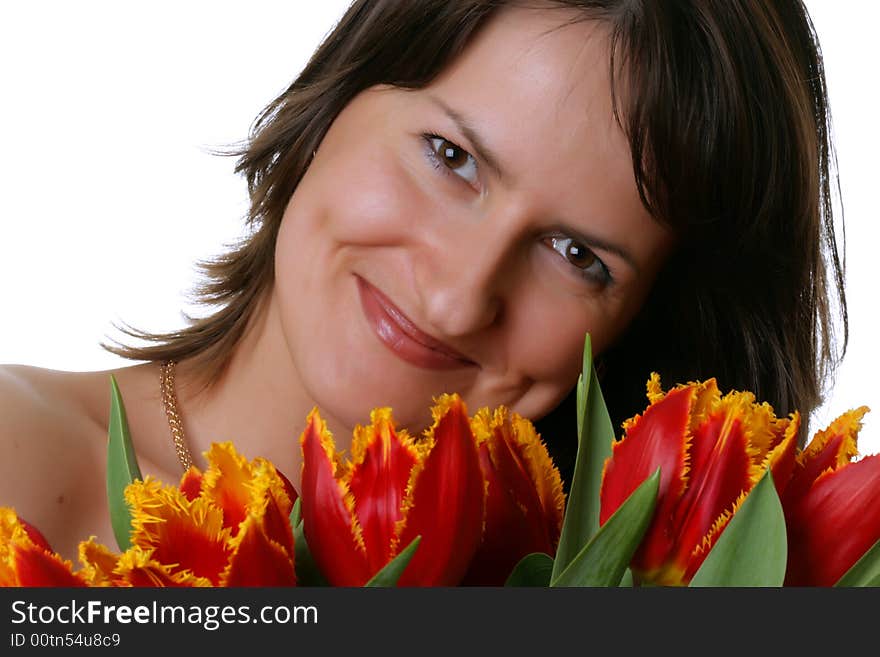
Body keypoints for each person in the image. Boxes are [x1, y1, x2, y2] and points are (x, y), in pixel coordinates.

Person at [0, 0, 847, 564]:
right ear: (336, 97)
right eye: (453, 158)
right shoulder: (20, 467)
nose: (457, 297)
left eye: (577, 255)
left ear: (647, 319)